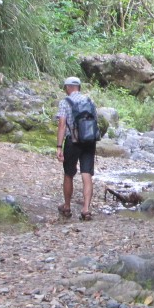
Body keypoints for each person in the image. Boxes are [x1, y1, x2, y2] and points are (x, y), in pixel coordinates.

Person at [55, 76, 96, 220]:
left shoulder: (65, 102)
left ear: (67, 87)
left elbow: (62, 125)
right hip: (89, 140)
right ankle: (86, 209)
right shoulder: (90, 101)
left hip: (72, 141)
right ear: (79, 87)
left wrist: (59, 146)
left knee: (68, 173)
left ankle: (67, 207)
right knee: (86, 174)